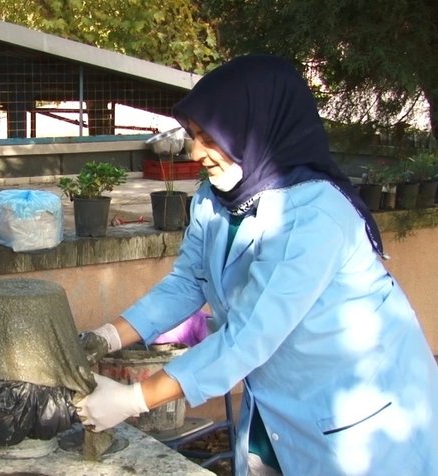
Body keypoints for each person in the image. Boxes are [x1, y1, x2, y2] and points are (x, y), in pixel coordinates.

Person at [76, 55, 438, 475]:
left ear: (255, 130)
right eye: (193, 135)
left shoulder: (311, 215)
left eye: (210, 137)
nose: (196, 152)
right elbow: (187, 283)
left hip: (358, 421)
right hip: (276, 401)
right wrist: (104, 337)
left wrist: (132, 399)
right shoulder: (217, 200)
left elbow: (249, 335)